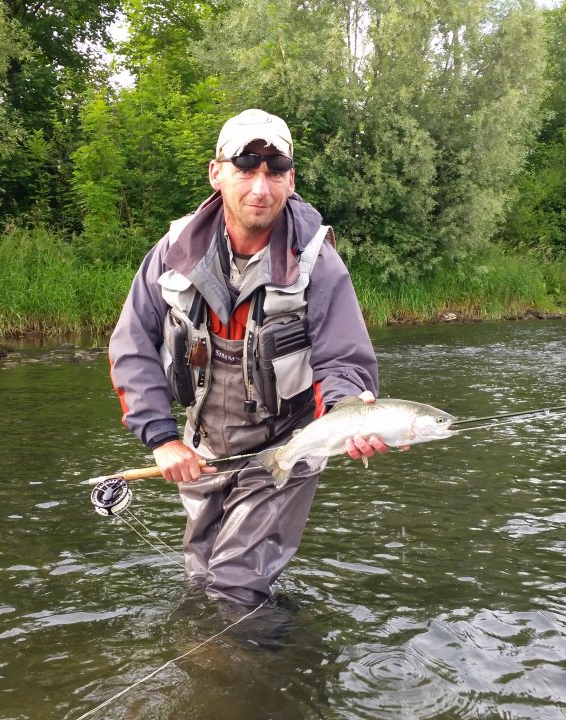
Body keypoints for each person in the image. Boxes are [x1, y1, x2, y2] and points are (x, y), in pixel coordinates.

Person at [109, 108, 388, 606]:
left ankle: (244, 678)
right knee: (200, 578)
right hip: (202, 449)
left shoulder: (315, 260)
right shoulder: (173, 250)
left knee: (235, 586)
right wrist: (162, 438)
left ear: (290, 180)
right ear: (217, 172)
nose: (261, 186)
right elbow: (131, 346)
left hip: (287, 447)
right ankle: (251, 661)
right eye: (246, 166)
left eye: (275, 170)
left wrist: (351, 416)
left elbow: (343, 361)